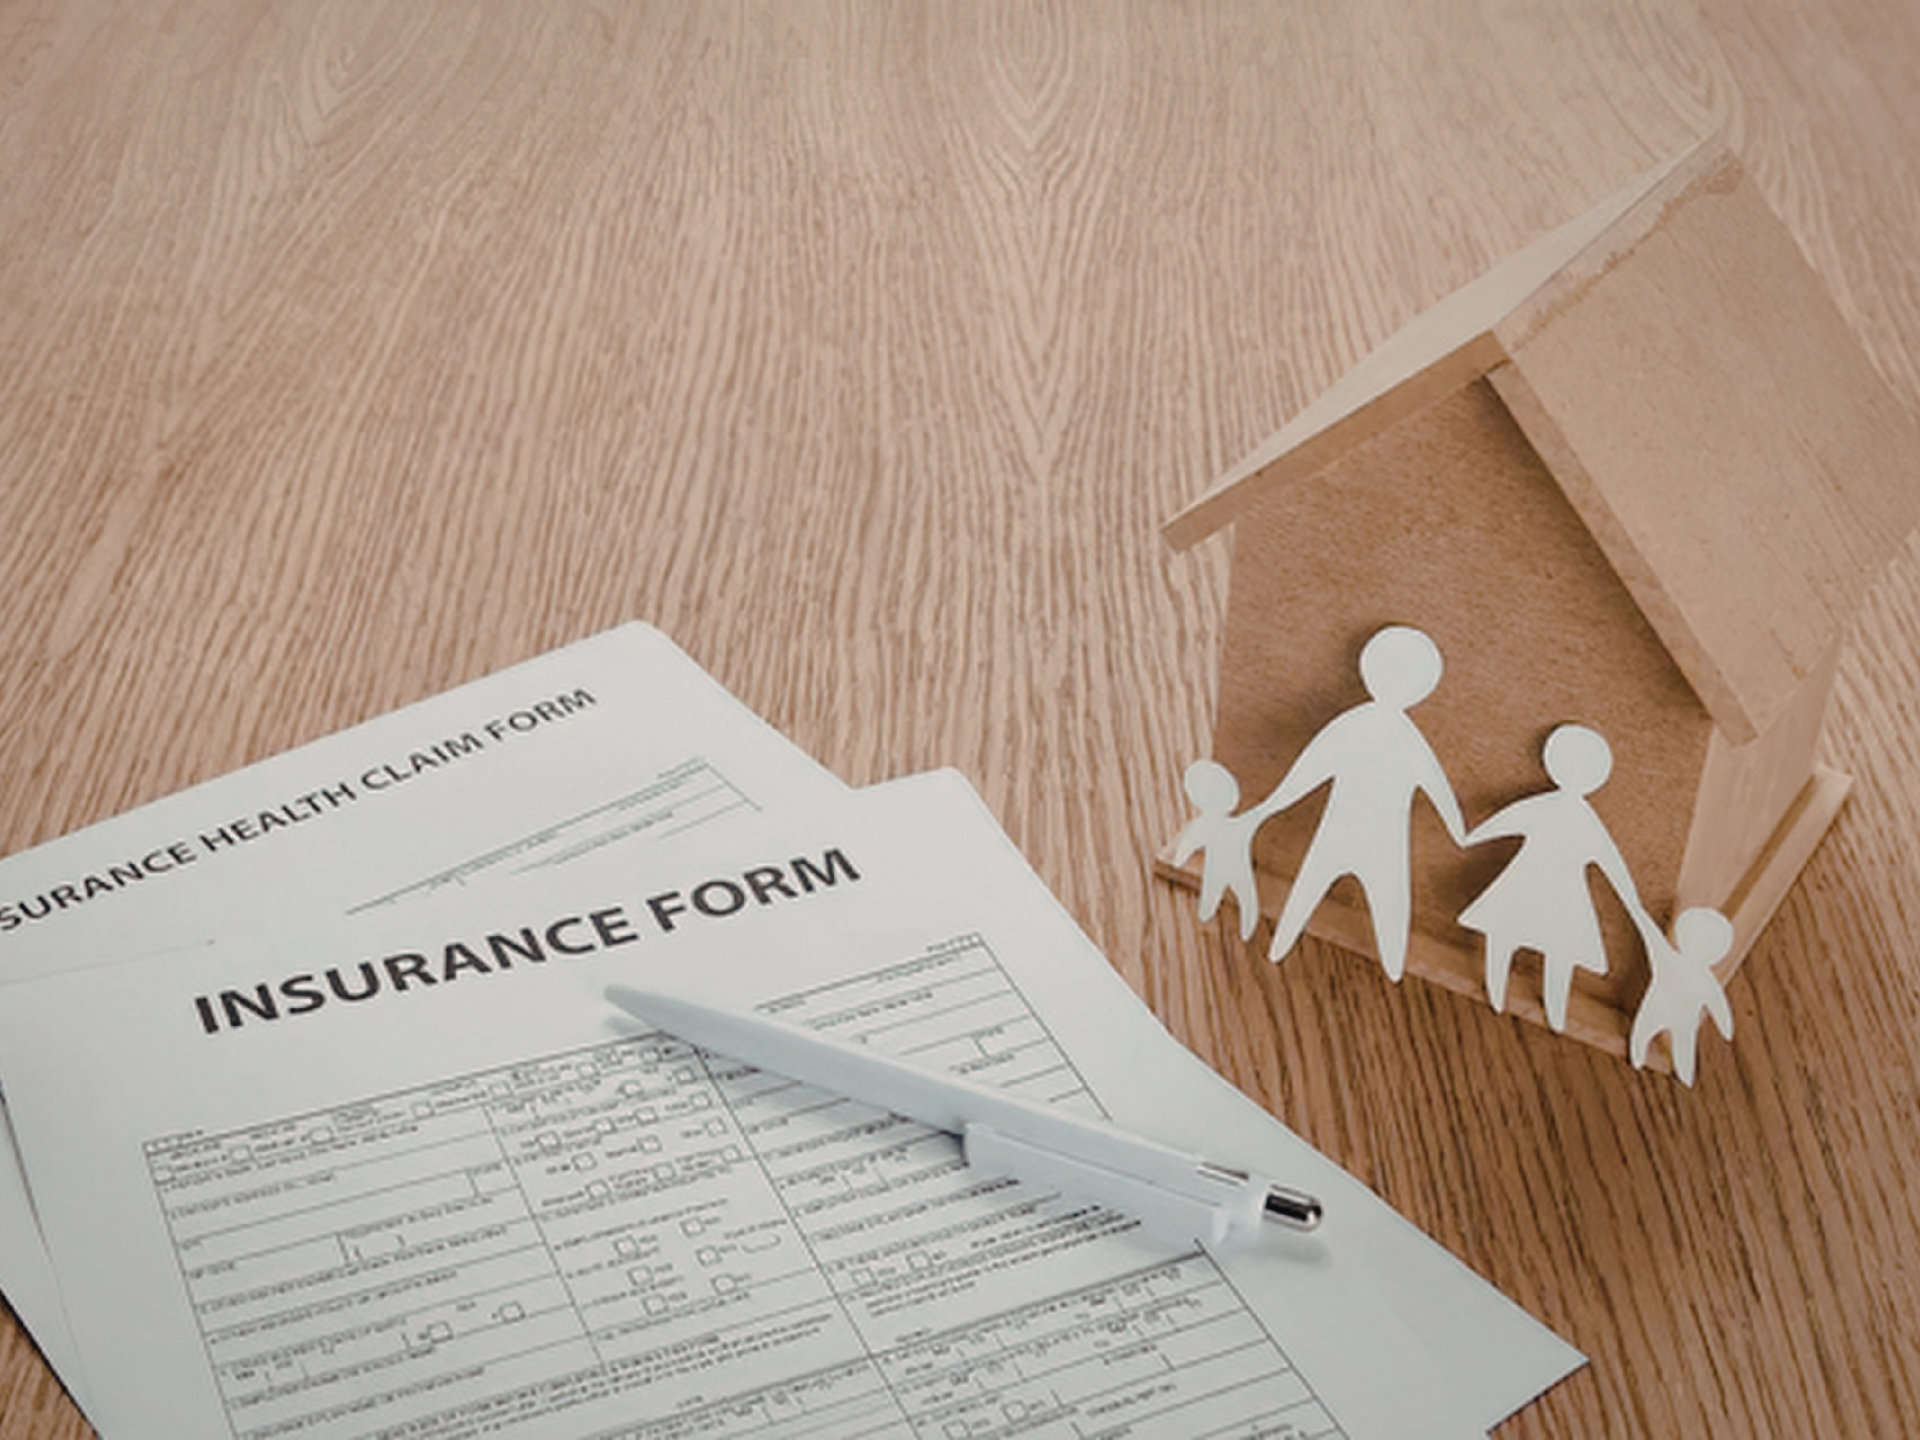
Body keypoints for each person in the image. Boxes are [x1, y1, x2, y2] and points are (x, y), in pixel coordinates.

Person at [1262, 626, 1465, 979]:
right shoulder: (1400, 736)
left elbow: (1307, 772)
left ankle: (1386, 965)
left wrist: (1269, 807)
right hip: (1368, 837)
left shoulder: (1365, 727)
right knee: (1377, 898)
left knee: (1349, 893)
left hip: (1359, 835)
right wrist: (1459, 833)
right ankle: (1385, 966)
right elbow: (1308, 771)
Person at [1457, 723, 1642, 1033]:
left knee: (1517, 938)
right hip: (1556, 893)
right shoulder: (1579, 819)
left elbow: (1611, 866)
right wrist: (1471, 836)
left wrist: (1470, 837)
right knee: (1539, 947)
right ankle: (1521, 1001)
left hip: (1542, 888)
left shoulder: (1560, 812)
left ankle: (1532, 1004)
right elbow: (1612, 866)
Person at [1172, 758, 1276, 941]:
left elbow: (1187, 845)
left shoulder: (1205, 824)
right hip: (1236, 869)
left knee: (1221, 896)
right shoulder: (1242, 823)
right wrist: (1178, 861)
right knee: (1244, 900)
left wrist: (1178, 861)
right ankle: (1242, 929)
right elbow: (1187, 845)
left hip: (1219, 868)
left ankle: (1222, 922)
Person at [1629, 906, 1735, 1085]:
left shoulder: (1670, 959)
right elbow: (1719, 1008)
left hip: (1663, 1009)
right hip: (1674, 1014)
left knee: (1648, 1035)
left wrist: (1635, 908)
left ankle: (1642, 1058)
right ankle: (1679, 1072)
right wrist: (1725, 1028)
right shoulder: (1705, 979)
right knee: (1677, 1044)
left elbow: (1648, 929)